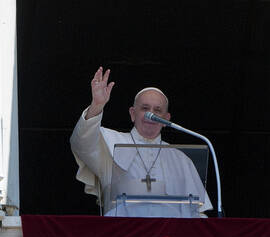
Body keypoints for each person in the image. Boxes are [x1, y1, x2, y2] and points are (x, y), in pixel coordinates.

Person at [70, 67, 212, 217]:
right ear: (132, 114)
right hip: (122, 235)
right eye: (145, 108)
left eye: (158, 110)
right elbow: (82, 143)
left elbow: (197, 213)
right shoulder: (110, 144)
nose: (151, 114)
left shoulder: (181, 159)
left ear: (166, 119)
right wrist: (97, 105)